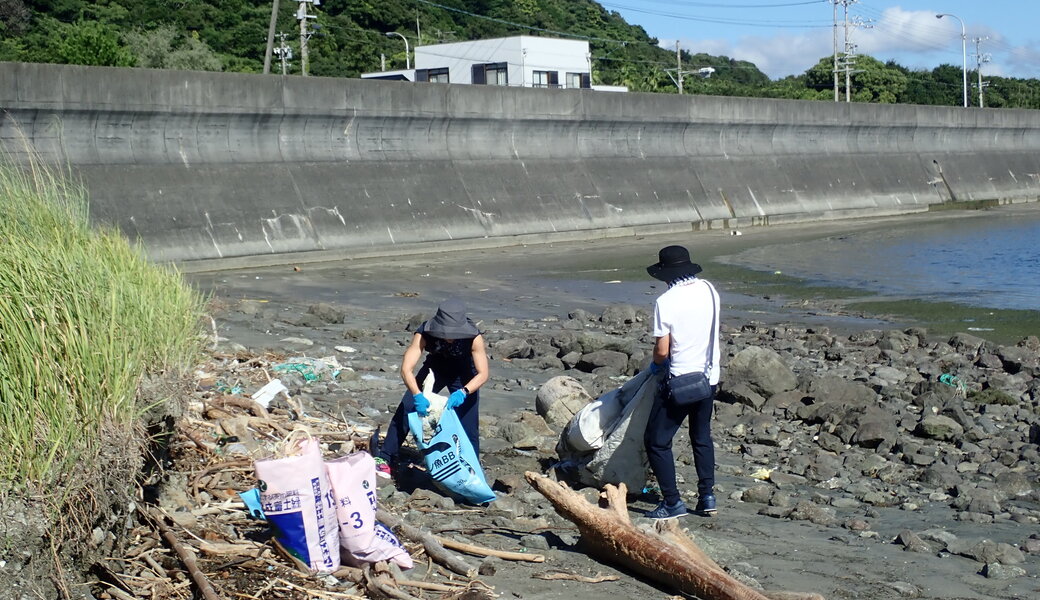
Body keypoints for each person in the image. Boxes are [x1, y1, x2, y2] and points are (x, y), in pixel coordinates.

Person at [643, 245, 721, 519]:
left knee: (656, 441)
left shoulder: (666, 302)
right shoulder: (709, 290)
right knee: (701, 437)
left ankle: (673, 502)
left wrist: (655, 366)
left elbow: (663, 351)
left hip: (679, 382)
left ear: (666, 274)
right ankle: (707, 496)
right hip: (709, 377)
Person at [374, 298, 489, 479]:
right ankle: (386, 458)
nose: (450, 336)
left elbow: (483, 374)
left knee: (468, 424)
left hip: (465, 374)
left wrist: (464, 392)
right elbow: (406, 369)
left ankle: (472, 469)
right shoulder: (425, 332)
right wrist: (417, 395)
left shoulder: (473, 336)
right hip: (435, 368)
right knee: (407, 408)